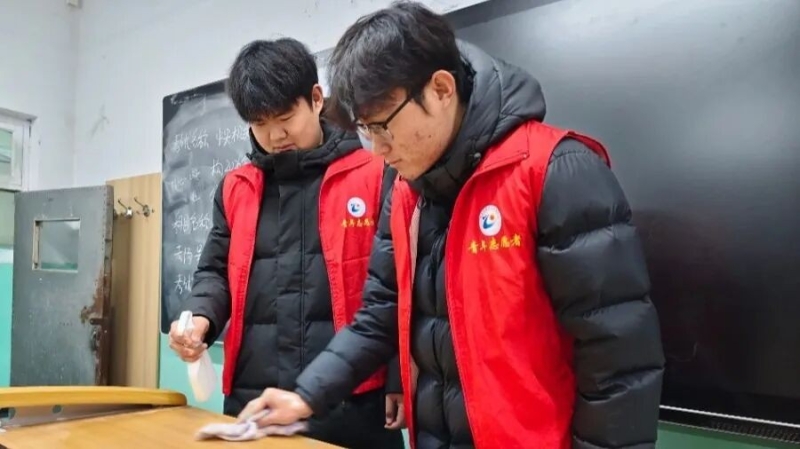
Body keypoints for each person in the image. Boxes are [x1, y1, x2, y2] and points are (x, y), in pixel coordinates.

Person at [237, 3, 666, 449]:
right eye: (366, 130)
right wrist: (305, 396)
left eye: (383, 127)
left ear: (441, 89)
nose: (378, 150)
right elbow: (378, 318)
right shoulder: (405, 193)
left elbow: (618, 360)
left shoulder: (553, 171)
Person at [167, 38, 405, 449]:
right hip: (253, 399)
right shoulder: (236, 188)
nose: (275, 135)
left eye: (285, 117)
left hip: (353, 400)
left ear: (316, 99)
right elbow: (214, 273)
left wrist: (400, 375)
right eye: (260, 123)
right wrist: (200, 318)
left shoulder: (376, 175)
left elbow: (400, 285)